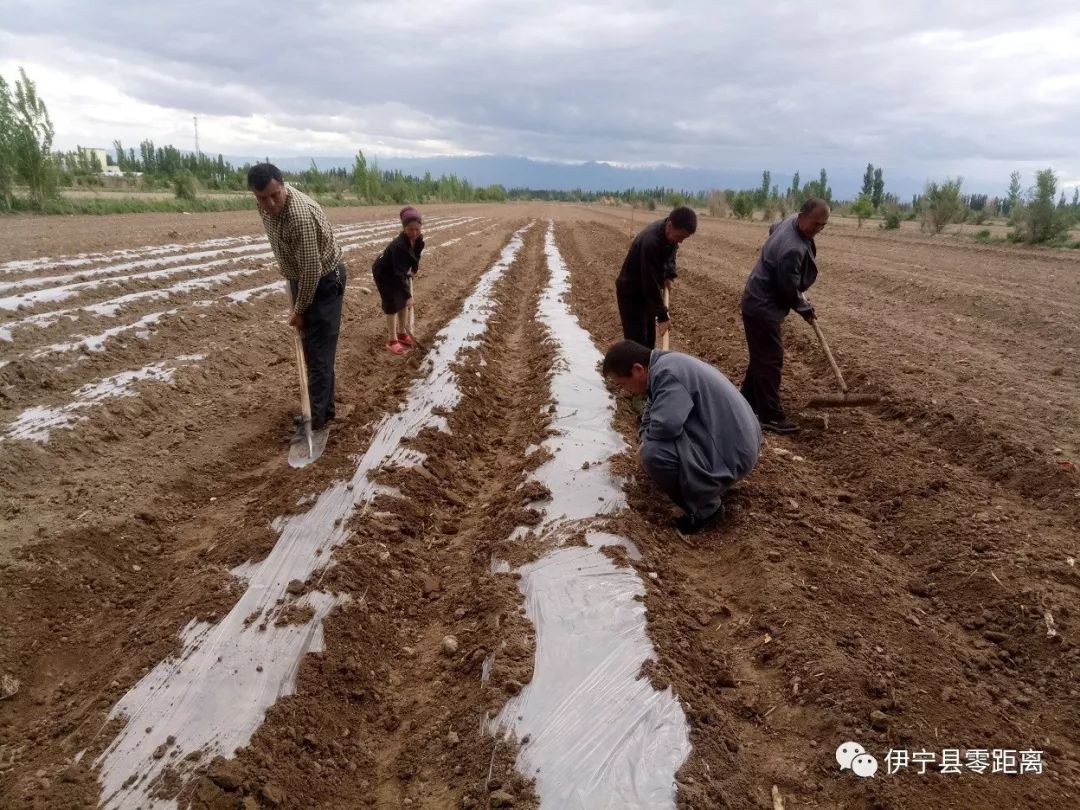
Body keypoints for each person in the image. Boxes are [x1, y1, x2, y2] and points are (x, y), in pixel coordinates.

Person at [603, 340, 762, 534]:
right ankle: (707, 483)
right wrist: (645, 436)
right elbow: (650, 413)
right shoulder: (665, 366)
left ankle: (706, 509)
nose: (624, 390)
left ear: (638, 369)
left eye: (623, 383)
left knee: (653, 455)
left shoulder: (667, 374)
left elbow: (667, 426)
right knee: (652, 443)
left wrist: (646, 444)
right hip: (734, 443)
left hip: (734, 453)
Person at [248, 162, 345, 432]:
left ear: (283, 184)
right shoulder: (264, 204)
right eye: (262, 198)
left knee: (318, 352)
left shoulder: (300, 215)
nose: (269, 203)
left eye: (274, 195)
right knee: (313, 351)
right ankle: (324, 411)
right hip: (300, 277)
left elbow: (312, 270)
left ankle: (315, 420)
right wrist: (290, 279)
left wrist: (300, 310)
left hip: (324, 280)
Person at [739, 197, 830, 434]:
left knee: (762, 357)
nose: (818, 229)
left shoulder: (790, 222)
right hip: (762, 307)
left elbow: (773, 228)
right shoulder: (792, 248)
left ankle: (745, 402)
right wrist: (804, 307)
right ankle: (769, 415)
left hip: (757, 299)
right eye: (815, 224)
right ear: (802, 217)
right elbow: (786, 288)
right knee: (770, 359)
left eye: (822, 225)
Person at [615, 206, 697, 350]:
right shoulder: (650, 242)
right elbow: (649, 282)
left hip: (646, 294)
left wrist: (669, 275)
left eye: (684, 238)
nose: (680, 241)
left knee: (649, 341)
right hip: (631, 294)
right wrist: (663, 316)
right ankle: (634, 369)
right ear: (670, 226)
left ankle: (648, 369)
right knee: (637, 343)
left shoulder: (669, 236)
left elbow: (671, 253)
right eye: (679, 237)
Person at [372, 206, 425, 354]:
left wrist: (414, 269)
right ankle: (392, 339)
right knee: (393, 305)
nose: (414, 233)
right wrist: (408, 296)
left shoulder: (419, 240)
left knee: (402, 303)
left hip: (399, 271)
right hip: (385, 273)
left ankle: (402, 333)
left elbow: (416, 256)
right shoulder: (399, 246)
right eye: (410, 229)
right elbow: (398, 274)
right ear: (404, 229)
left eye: (417, 229)